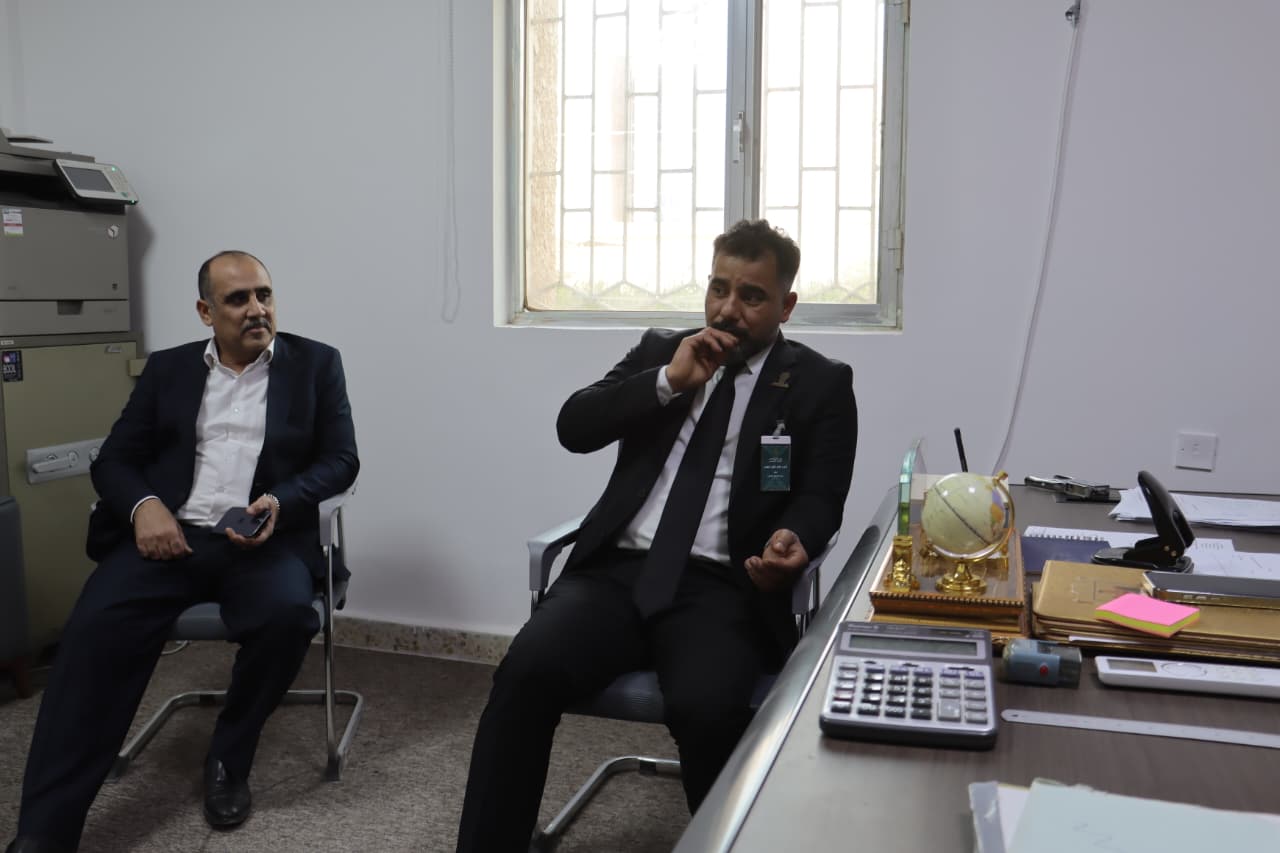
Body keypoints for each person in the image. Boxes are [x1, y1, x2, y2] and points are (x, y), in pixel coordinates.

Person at [456, 219, 857, 852]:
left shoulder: (819, 383)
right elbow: (574, 426)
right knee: (524, 674)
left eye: (751, 296)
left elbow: (821, 496)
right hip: (614, 575)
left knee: (708, 710)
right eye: (719, 288)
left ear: (786, 306)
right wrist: (667, 382)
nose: (728, 309)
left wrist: (795, 538)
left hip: (722, 587)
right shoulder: (660, 351)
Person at [6, 251, 359, 853]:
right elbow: (114, 459)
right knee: (92, 631)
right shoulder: (168, 369)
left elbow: (341, 460)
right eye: (238, 299)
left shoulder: (316, 364)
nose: (257, 309)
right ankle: (44, 830)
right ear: (205, 311)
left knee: (287, 617)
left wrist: (281, 500)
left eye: (264, 294)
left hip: (261, 541)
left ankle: (229, 757)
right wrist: (145, 507)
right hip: (169, 538)